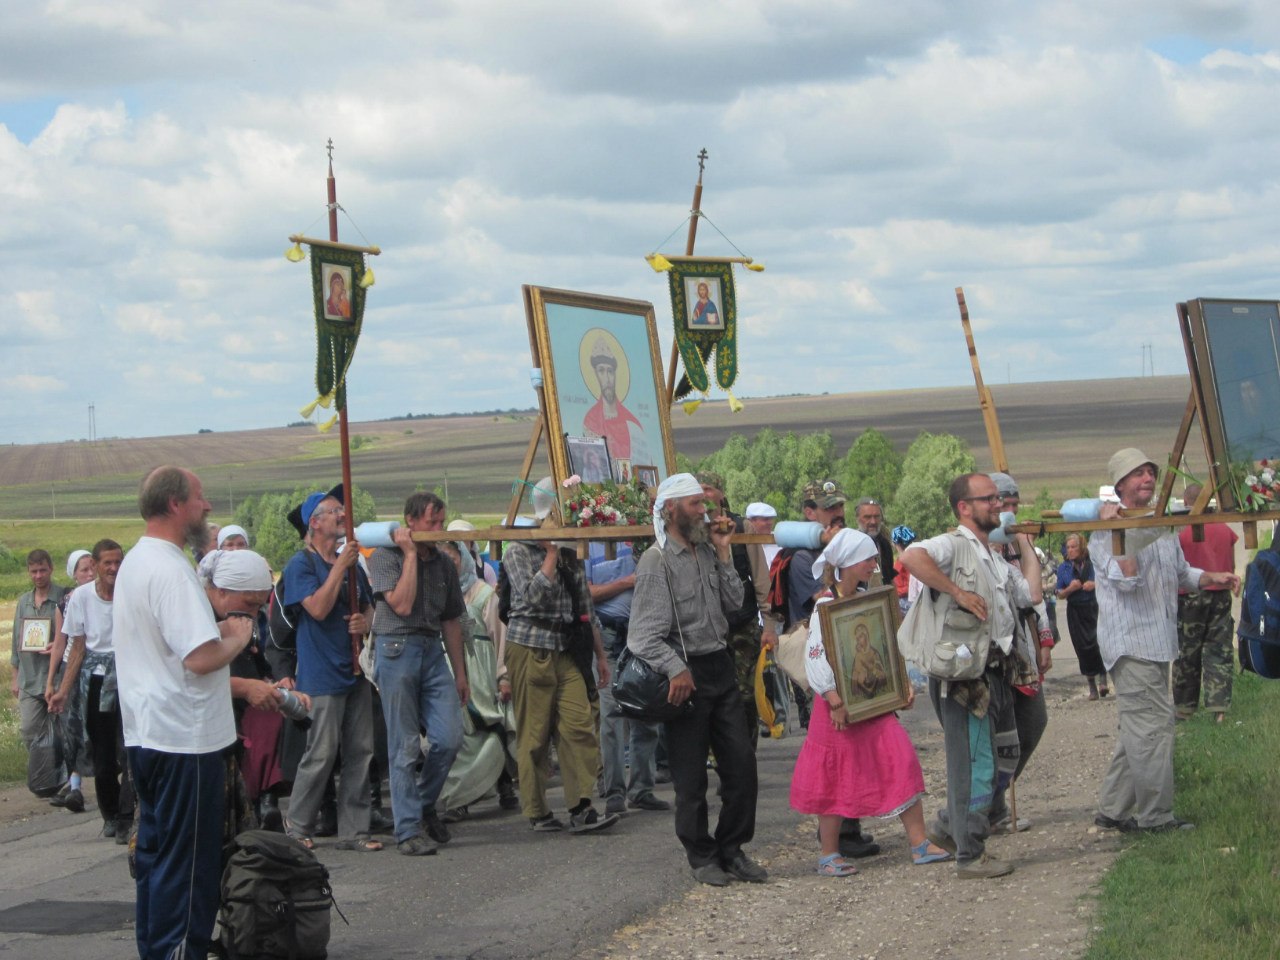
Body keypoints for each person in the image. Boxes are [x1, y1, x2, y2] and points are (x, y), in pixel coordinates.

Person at [113, 466, 258, 960]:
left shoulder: (137, 561)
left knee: (156, 859)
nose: (207, 506)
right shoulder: (171, 569)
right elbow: (198, 658)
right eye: (200, 497)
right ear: (176, 504)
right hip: (186, 740)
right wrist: (237, 638)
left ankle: (157, 951)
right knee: (189, 866)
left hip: (149, 734)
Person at [898, 472, 1041, 879]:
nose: (998, 505)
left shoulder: (993, 555)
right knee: (973, 767)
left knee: (1006, 755)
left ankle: (950, 828)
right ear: (964, 507)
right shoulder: (953, 545)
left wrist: (1026, 547)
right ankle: (970, 853)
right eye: (988, 499)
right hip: (963, 680)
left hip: (994, 673)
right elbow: (910, 557)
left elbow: (1029, 595)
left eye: (999, 498)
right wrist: (957, 592)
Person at [627, 473, 765, 887]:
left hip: (719, 667)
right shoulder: (656, 561)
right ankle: (701, 856)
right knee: (691, 778)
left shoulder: (707, 551)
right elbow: (641, 636)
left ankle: (732, 848)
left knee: (741, 765)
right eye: (695, 505)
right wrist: (675, 669)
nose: (705, 511)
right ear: (671, 510)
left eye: (705, 504)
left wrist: (724, 554)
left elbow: (735, 603)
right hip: (684, 677)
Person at [1090, 451, 1238, 832]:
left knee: (1140, 728)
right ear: (1120, 485)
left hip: (1158, 641)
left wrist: (1211, 578)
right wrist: (1123, 535)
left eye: (1150, 472)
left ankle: (1112, 809)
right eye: (1137, 473)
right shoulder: (1104, 533)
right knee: (1153, 728)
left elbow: (1180, 572)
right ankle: (1156, 817)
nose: (1147, 478)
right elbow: (1126, 581)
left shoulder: (1163, 525)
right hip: (1130, 643)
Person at [790, 528, 952, 876]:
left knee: (900, 757)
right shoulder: (825, 607)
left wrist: (901, 684)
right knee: (832, 776)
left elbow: (888, 645)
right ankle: (828, 854)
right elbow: (816, 656)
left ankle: (920, 843)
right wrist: (834, 699)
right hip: (836, 706)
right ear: (849, 563)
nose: (873, 565)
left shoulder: (870, 602)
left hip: (872, 703)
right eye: (868, 559)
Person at [502, 477, 617, 834]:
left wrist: (600, 656)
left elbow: (585, 609)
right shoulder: (518, 552)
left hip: (566, 648)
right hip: (530, 647)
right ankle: (537, 810)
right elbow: (532, 598)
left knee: (579, 725)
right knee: (534, 735)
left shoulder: (572, 554)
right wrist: (550, 554)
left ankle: (581, 806)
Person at [367, 492, 470, 856]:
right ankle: (408, 830)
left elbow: (451, 619)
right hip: (396, 649)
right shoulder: (384, 557)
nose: (438, 529)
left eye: (441, 521)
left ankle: (423, 804)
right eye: (432, 522)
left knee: (449, 737)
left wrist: (460, 672)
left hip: (431, 651)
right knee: (405, 744)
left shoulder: (443, 564)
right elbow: (402, 603)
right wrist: (410, 553)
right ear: (410, 522)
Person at [282, 483, 381, 852]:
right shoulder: (301, 565)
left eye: (342, 510)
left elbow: (370, 609)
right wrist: (340, 565)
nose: (343, 516)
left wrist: (364, 623)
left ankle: (355, 832)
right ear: (315, 523)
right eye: (334, 512)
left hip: (355, 672)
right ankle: (298, 828)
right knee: (321, 753)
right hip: (321, 676)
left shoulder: (352, 565)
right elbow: (318, 609)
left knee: (361, 751)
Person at [783, 479, 878, 857]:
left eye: (839, 505)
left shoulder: (849, 548)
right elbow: (830, 605)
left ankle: (849, 830)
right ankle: (834, 839)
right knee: (830, 757)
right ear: (810, 514)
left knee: (850, 752)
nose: (836, 513)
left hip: (849, 665)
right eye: (827, 508)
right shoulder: (806, 558)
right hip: (821, 672)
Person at [50, 539, 135, 841]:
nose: (113, 568)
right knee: (103, 756)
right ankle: (110, 815)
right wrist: (62, 690)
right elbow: (77, 649)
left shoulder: (131, 592)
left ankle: (127, 817)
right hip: (97, 682)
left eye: (118, 562)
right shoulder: (82, 598)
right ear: (96, 566)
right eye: (107, 563)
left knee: (132, 750)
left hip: (130, 678)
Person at [984, 471, 1051, 837]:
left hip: (1021, 647)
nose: (1009, 512)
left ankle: (996, 795)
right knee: (998, 734)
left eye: (1013, 504)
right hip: (992, 653)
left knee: (1033, 722)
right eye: (1002, 504)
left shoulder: (1015, 545)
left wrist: (1043, 642)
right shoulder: (981, 545)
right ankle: (988, 808)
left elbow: (1035, 602)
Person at [588, 542, 668, 816]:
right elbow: (587, 593)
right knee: (611, 716)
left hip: (642, 636)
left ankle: (641, 789)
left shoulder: (640, 543)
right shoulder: (586, 547)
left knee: (646, 711)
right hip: (608, 637)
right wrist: (628, 582)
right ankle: (614, 793)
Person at [698, 471, 779, 745]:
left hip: (742, 627)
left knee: (745, 696)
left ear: (720, 494)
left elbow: (761, 580)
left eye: (708, 488)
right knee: (712, 698)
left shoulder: (743, 528)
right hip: (706, 631)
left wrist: (769, 625)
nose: (703, 494)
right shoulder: (692, 530)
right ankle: (721, 757)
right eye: (698, 490)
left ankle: (745, 755)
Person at [1173, 483, 1238, 722]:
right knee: (1219, 649)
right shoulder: (1224, 529)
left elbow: (1177, 569)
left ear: (1186, 502)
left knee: (1187, 652)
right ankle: (1219, 708)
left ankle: (1184, 708)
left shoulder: (1181, 532)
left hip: (1188, 596)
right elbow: (1230, 564)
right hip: (1220, 594)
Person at [11, 549, 69, 799]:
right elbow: (16, 639)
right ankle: (43, 776)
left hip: (56, 677)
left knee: (63, 732)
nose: (38, 575)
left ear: (51, 569)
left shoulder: (63, 596)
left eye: (42, 570)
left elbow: (70, 636)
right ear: (28, 572)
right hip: (29, 678)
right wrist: (15, 676)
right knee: (30, 729)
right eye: (33, 571)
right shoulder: (24, 601)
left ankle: (65, 780)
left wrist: (56, 646)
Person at [45, 549, 96, 812]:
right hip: (72, 668)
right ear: (73, 574)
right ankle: (74, 787)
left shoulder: (108, 597)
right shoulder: (65, 603)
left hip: (99, 668)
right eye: (83, 570)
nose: (89, 574)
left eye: (91, 568)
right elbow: (60, 644)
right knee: (72, 726)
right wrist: (52, 680)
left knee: (98, 727)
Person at [1056, 532, 1106, 698]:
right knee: (1082, 647)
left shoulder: (1093, 564)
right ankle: (1091, 684)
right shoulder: (1063, 568)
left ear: (1081, 547)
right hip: (1075, 611)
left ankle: (1103, 679)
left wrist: (1095, 584)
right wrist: (1070, 588)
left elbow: (1108, 581)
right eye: (1068, 547)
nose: (1070, 550)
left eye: (1074, 547)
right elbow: (1060, 594)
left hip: (1094, 607)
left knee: (1099, 642)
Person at [581, 335, 643, 460]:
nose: (607, 379)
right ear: (596, 375)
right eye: (601, 371)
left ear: (615, 374)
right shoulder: (591, 421)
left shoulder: (632, 423)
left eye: (610, 371)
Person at [853, 497, 896, 588]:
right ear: (857, 519)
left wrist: (895, 602)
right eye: (867, 517)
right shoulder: (851, 546)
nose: (873, 521)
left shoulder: (884, 545)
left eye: (877, 517)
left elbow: (890, 580)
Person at [745, 502, 779, 568]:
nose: (770, 522)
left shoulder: (779, 540)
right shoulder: (742, 543)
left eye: (771, 519)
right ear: (750, 521)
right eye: (766, 519)